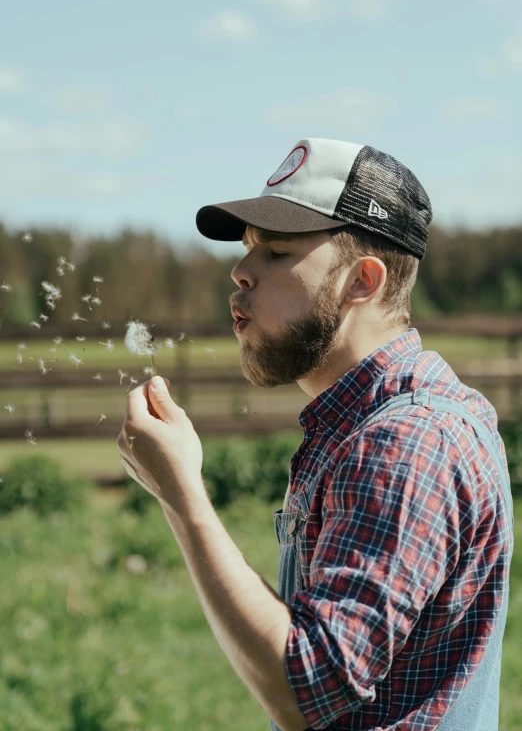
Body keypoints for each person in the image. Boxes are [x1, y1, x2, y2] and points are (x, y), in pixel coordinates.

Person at [195, 138, 515, 730]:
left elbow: (304, 688)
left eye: (276, 251)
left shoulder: (410, 441)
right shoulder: (368, 422)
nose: (240, 272)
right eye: (247, 252)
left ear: (361, 281)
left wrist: (180, 495)